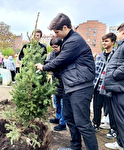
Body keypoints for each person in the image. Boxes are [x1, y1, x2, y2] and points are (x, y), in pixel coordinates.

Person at [35, 13, 98, 150]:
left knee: (83, 123)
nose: (56, 35)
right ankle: (75, 146)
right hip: (69, 87)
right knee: (70, 118)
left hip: (80, 87)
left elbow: (60, 60)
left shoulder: (74, 41)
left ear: (65, 27)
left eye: (57, 32)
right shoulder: (67, 41)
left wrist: (43, 67)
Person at [92, 33, 117, 140]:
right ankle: (96, 124)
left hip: (109, 86)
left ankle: (113, 129)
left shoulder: (116, 54)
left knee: (111, 109)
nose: (104, 43)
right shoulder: (100, 55)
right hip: (98, 86)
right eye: (103, 41)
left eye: (106, 41)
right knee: (96, 107)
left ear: (113, 42)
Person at [104, 23, 124, 150]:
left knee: (121, 118)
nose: (117, 34)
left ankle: (122, 144)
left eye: (118, 32)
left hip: (119, 87)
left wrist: (114, 74)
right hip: (117, 87)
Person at [47, 37, 66, 131]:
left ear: (61, 45)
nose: (54, 49)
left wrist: (50, 66)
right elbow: (48, 62)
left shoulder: (64, 54)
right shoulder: (52, 54)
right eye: (52, 47)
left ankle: (63, 123)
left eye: (56, 47)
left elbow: (56, 64)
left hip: (63, 82)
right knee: (56, 102)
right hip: (55, 81)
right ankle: (58, 118)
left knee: (63, 104)